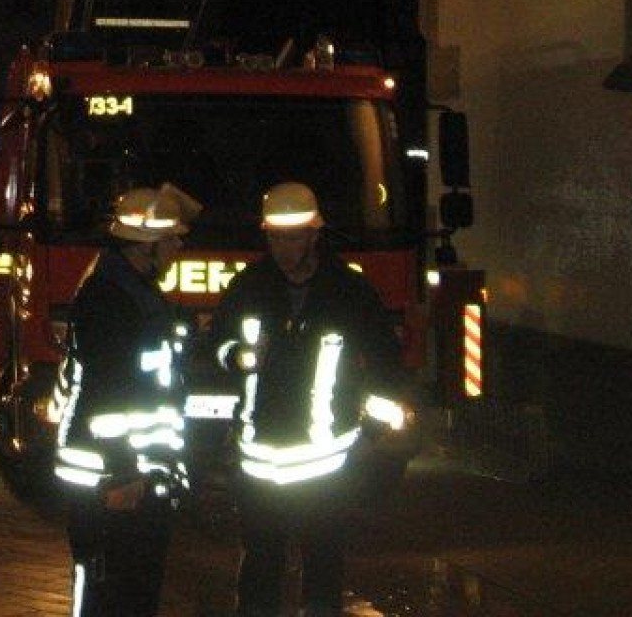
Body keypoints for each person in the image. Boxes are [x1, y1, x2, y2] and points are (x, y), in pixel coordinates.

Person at [209, 181, 410, 617]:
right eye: (276, 238)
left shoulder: (349, 291)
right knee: (259, 574)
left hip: (327, 465)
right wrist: (236, 355)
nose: (283, 248)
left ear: (314, 235)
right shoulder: (248, 287)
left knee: (323, 576)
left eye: (293, 238)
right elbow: (214, 347)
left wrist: (372, 431)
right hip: (259, 462)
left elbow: (386, 365)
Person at [50, 182, 202, 617]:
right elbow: (109, 397)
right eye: (171, 240)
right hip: (111, 478)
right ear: (145, 246)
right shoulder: (111, 302)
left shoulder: (132, 292)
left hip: (135, 474)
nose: (178, 249)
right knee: (106, 591)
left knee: (133, 592)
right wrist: (121, 474)